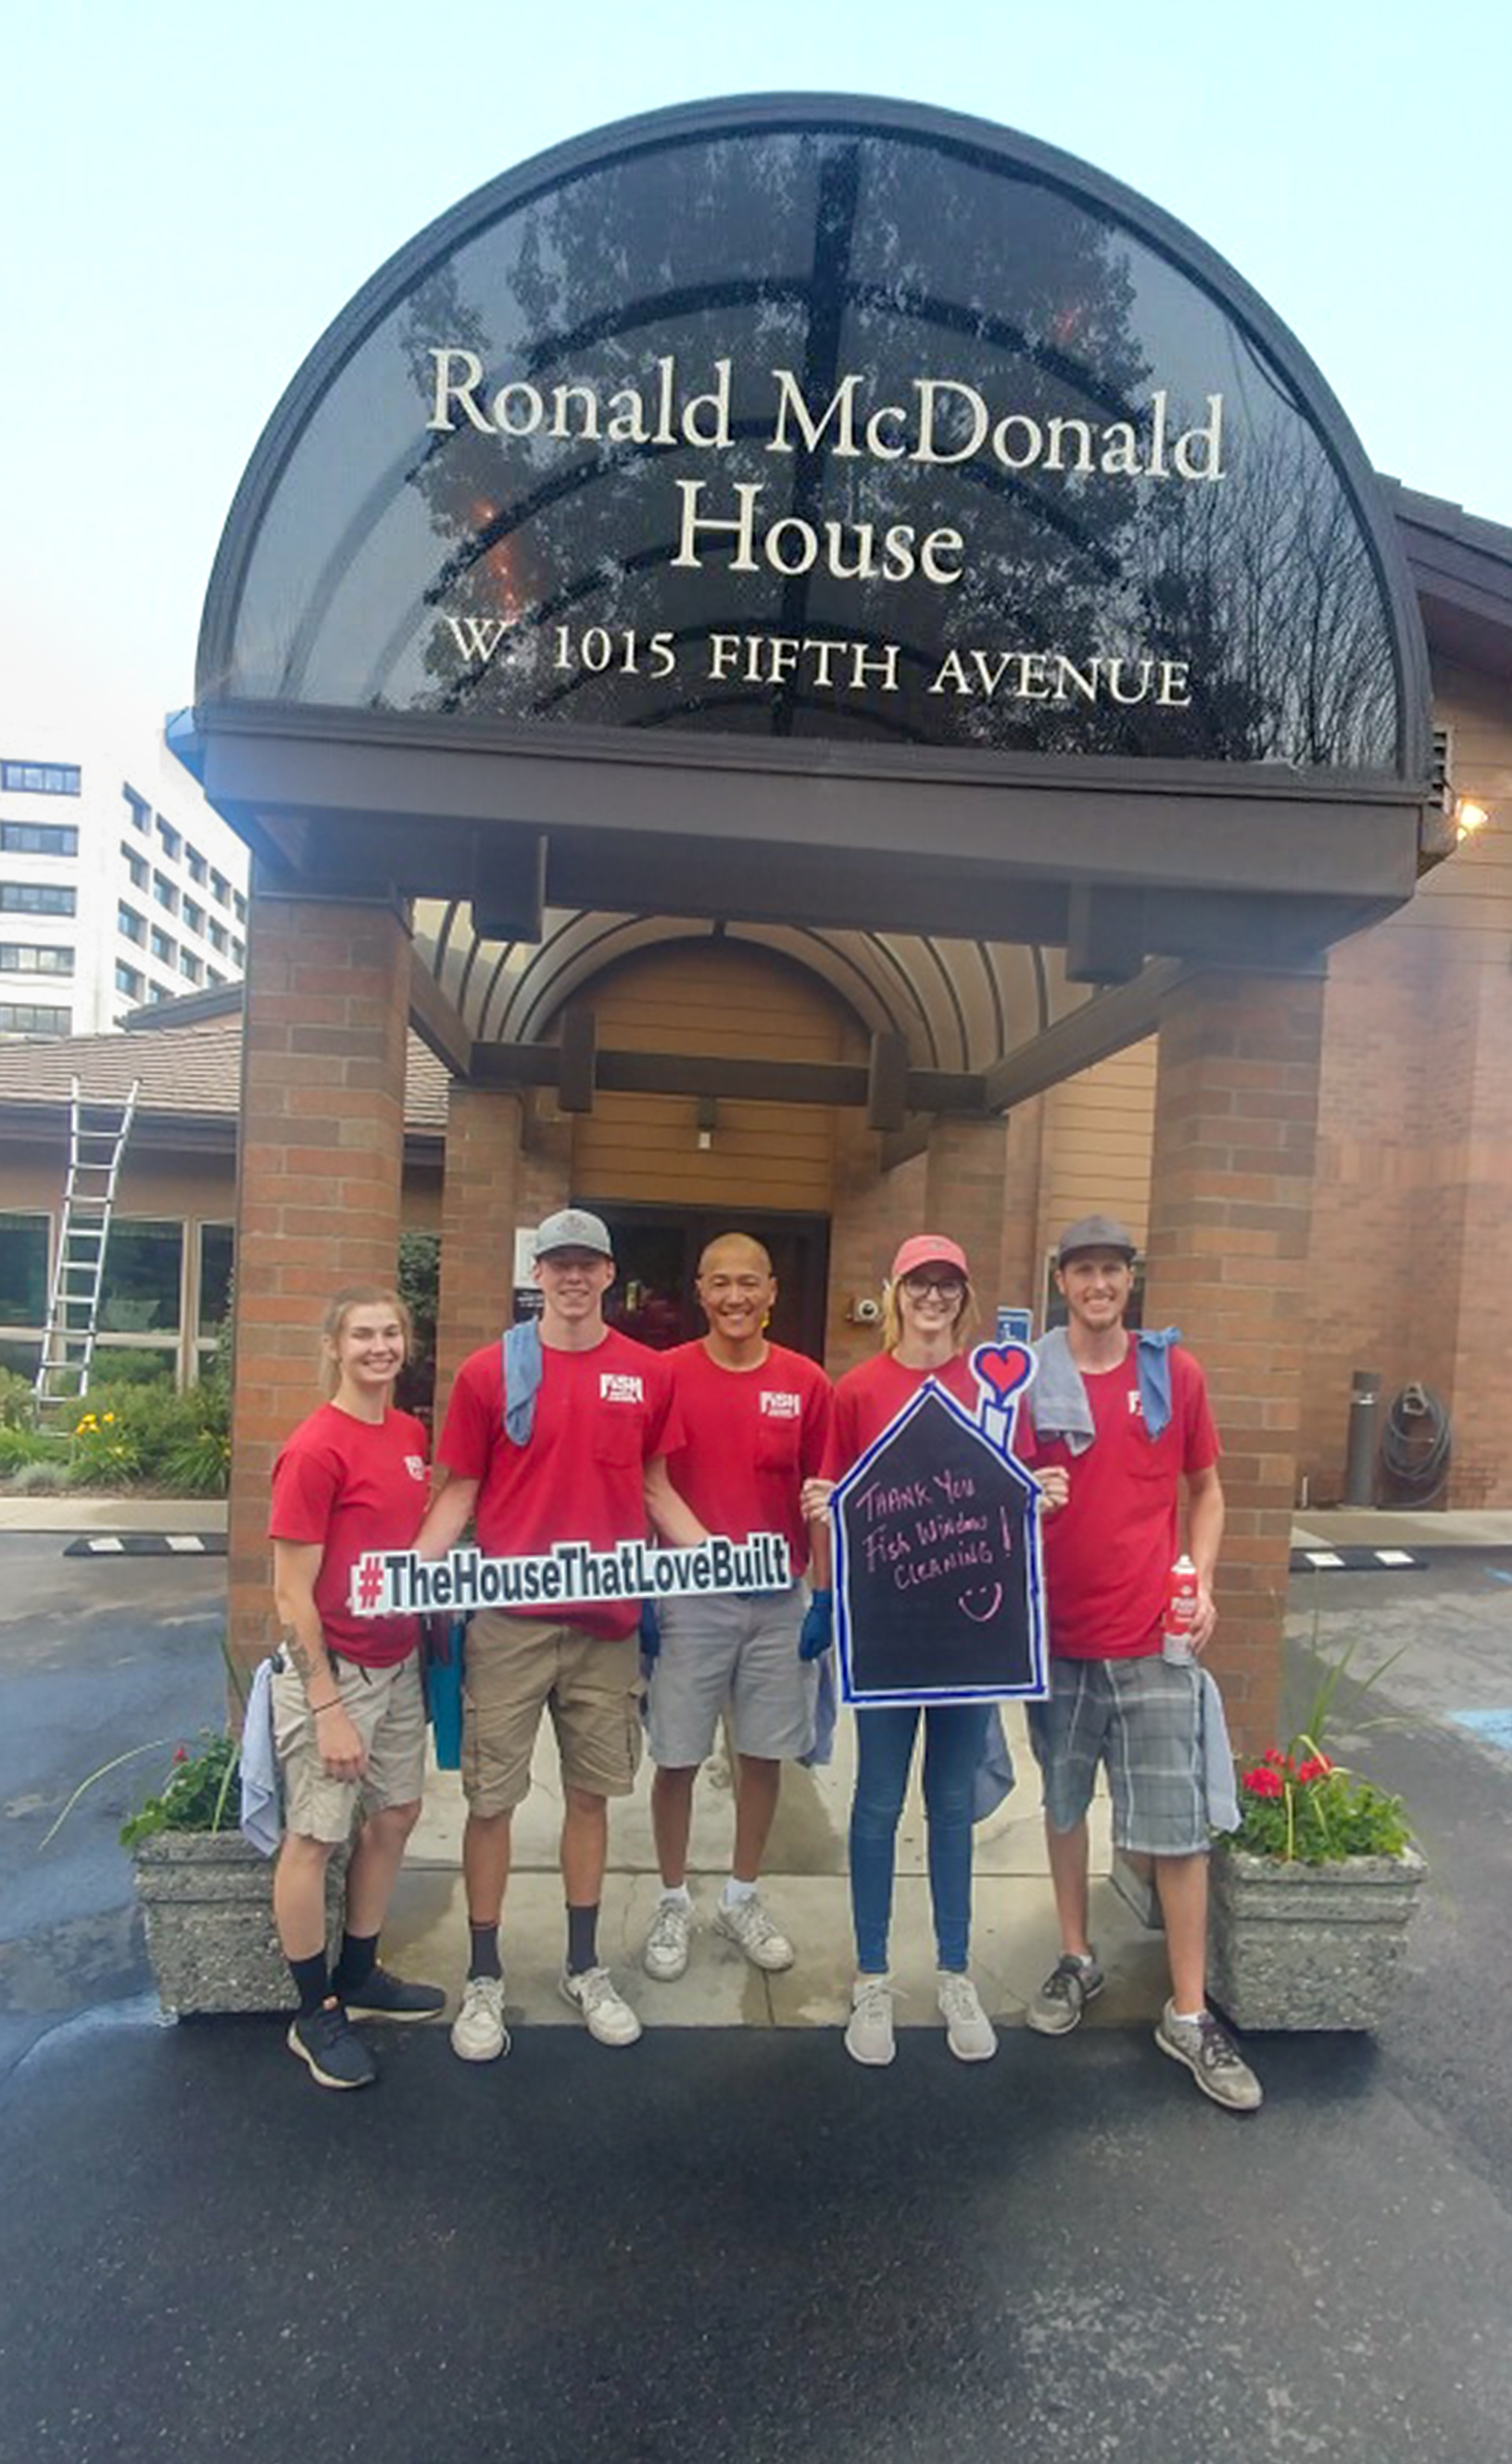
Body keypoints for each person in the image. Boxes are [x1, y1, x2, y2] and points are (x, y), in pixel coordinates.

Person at [417, 1208, 705, 2058]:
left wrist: (727, 1561)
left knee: (591, 1797)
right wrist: (401, 1580)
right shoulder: (486, 1373)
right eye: (558, 1265)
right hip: (508, 1623)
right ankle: (484, 1977)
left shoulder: (648, 1375)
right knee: (490, 1801)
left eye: (588, 1265)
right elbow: (458, 1493)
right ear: (535, 1274)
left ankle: (584, 1966)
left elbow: (658, 1490)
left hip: (607, 1628)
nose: (573, 1278)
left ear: (611, 1275)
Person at [1019, 1213, 1263, 2114]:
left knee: (1176, 1829)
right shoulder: (1026, 1377)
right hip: (1056, 1640)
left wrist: (1201, 1583)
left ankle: (1189, 2011)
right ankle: (1075, 1956)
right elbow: (994, 1496)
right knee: (1062, 1802)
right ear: (1061, 1281)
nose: (1098, 1283)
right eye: (1083, 1269)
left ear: (1130, 1280)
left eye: (1112, 1269)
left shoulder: (1172, 1372)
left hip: (1154, 1639)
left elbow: (1207, 1488)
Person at [806, 1235, 1064, 2068]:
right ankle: (872, 1974)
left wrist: (1045, 1495)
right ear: (895, 1291)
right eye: (920, 1283)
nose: (933, 1297)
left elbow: (1014, 1501)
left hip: (968, 1637)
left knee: (951, 1807)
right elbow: (833, 1497)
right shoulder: (859, 1390)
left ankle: (955, 1970)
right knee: (877, 1805)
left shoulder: (998, 1387)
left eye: (948, 1284)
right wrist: (821, 1511)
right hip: (887, 1637)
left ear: (965, 1296)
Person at [641, 1232, 832, 1985]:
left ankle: (742, 1896)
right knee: (677, 1754)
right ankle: (670, 1900)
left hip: (781, 1598)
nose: (735, 1298)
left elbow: (820, 1495)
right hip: (691, 1595)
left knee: (763, 1753)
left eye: (749, 1283)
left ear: (773, 1291)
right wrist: (659, 1586)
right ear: (699, 1289)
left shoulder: (807, 1381)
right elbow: (648, 1484)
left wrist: (824, 1589)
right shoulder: (666, 1376)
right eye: (720, 1283)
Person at [270, 1286, 446, 2092]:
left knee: (397, 1813)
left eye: (391, 1333)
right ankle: (316, 2012)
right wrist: (328, 1705)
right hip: (337, 1670)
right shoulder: (315, 1448)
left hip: (399, 1657)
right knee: (314, 1839)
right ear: (335, 1346)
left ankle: (363, 1969)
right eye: (363, 1335)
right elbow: (289, 1591)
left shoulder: (410, 1434)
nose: (379, 1347)